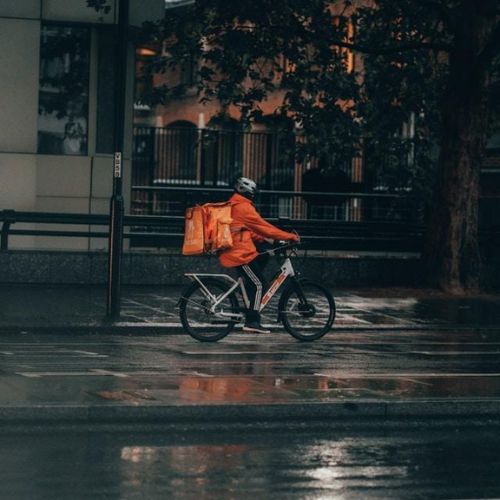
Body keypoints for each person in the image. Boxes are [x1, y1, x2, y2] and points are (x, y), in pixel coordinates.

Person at [219, 177, 300, 334]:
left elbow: (248, 231)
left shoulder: (237, 204)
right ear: (248, 191)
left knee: (262, 260)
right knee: (259, 284)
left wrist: (267, 240)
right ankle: (252, 321)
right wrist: (289, 236)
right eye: (253, 192)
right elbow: (264, 227)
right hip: (239, 254)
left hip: (240, 250)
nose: (254, 195)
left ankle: (250, 305)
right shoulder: (243, 207)